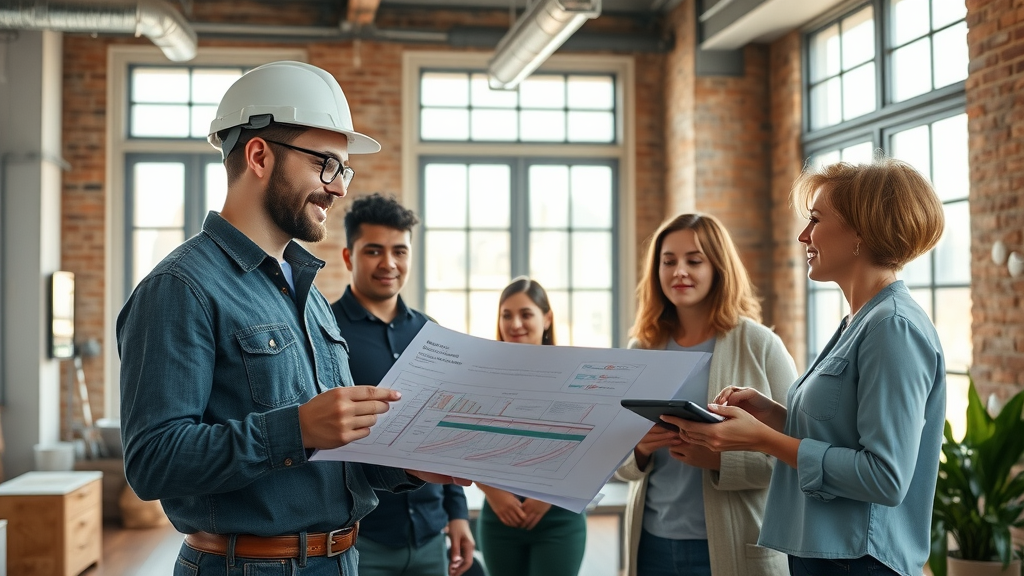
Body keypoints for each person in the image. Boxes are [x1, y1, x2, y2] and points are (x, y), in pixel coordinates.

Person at [117, 60, 466, 576]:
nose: (339, 187)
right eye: (326, 164)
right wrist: (296, 429)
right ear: (258, 156)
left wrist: (404, 465)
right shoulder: (180, 288)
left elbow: (328, 456)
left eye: (343, 169)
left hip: (341, 560)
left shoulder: (305, 292)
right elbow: (153, 462)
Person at [674, 158, 946, 576]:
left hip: (859, 561)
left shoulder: (893, 327)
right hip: (827, 554)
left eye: (815, 220)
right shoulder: (860, 320)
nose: (803, 235)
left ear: (861, 231)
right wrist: (776, 416)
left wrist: (764, 440)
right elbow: (843, 436)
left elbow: (884, 477)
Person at [614, 213, 796, 576]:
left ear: (718, 268)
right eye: (668, 261)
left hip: (735, 546)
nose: (679, 271)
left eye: (694, 260)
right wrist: (641, 448)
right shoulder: (641, 348)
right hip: (651, 545)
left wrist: (720, 460)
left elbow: (798, 455)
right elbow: (613, 456)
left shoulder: (760, 345)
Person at [330, 192, 476, 576]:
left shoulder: (432, 333)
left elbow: (446, 427)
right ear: (349, 256)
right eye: (374, 251)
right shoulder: (324, 333)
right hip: (361, 536)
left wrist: (457, 514)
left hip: (429, 533)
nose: (389, 263)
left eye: (400, 251)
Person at [475, 277, 587, 576]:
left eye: (526, 314)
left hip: (558, 518)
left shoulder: (575, 375)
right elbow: (463, 441)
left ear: (546, 318)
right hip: (499, 517)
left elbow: (590, 445)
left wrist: (545, 498)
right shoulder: (480, 376)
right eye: (507, 315)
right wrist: (494, 493)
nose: (515, 324)